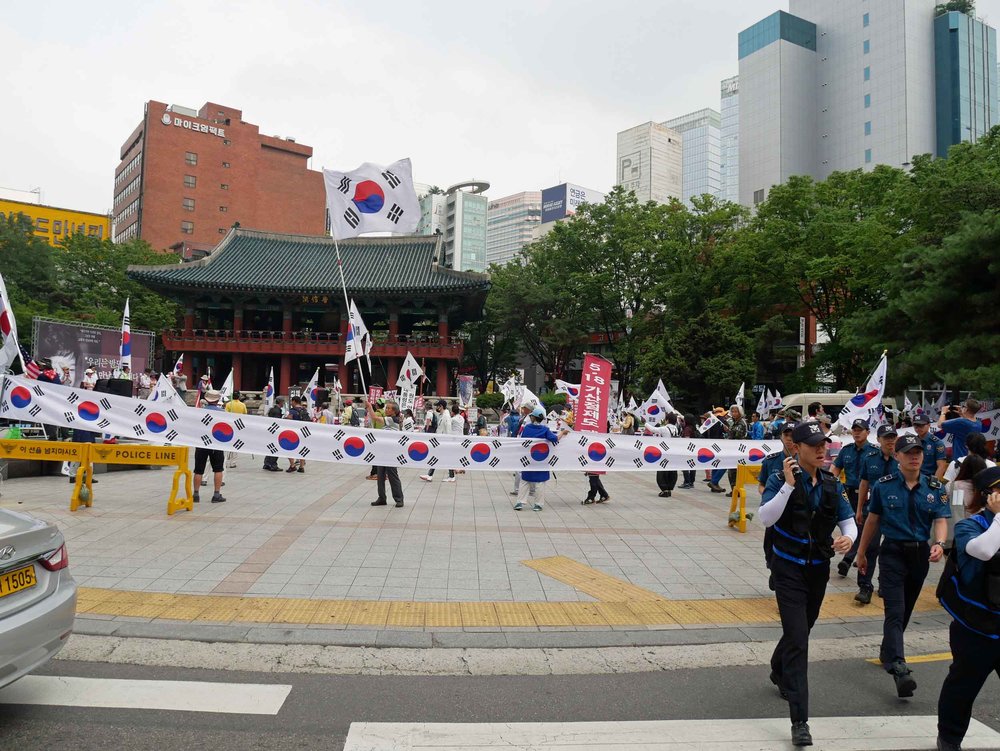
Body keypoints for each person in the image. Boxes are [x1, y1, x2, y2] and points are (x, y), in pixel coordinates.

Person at [758, 420, 857, 748]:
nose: (821, 449)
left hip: (817, 571)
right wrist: (787, 486)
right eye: (813, 444)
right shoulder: (778, 477)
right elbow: (765, 518)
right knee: (800, 641)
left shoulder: (831, 483)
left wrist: (847, 539)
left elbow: (848, 520)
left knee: (801, 630)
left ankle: (777, 666)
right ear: (795, 447)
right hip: (787, 569)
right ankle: (800, 721)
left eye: (823, 444)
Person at [857, 434, 950, 698]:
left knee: (906, 609)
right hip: (892, 553)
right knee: (895, 611)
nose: (914, 456)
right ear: (897, 456)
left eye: (918, 452)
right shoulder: (883, 485)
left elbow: (941, 519)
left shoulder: (934, 487)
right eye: (908, 452)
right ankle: (899, 667)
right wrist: (862, 553)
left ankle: (888, 651)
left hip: (920, 554)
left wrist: (940, 544)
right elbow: (872, 521)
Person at [935, 466, 1000, 751]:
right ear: (988, 496)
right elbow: (984, 551)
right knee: (963, 687)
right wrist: (999, 518)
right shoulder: (970, 526)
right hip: (975, 625)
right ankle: (949, 738)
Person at [853, 424, 900, 605]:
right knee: (869, 548)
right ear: (878, 440)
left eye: (892, 437)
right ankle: (865, 587)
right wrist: (859, 509)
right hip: (873, 511)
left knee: (891, 549)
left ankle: (885, 584)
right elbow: (864, 484)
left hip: (895, 512)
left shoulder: (902, 459)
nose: (890, 441)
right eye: (886, 437)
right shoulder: (870, 458)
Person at [833, 419, 878, 577]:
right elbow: (835, 469)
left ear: (868, 432)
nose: (857, 432)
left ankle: (848, 558)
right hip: (847, 493)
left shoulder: (874, 452)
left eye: (861, 429)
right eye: (854, 429)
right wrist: (830, 486)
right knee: (846, 523)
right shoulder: (846, 450)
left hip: (867, 495)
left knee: (861, 526)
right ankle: (846, 554)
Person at [516, 405, 566, 511]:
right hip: (542, 459)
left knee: (525, 481)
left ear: (533, 418)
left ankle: (520, 502)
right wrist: (563, 433)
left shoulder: (527, 428)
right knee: (540, 483)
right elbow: (555, 439)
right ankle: (538, 504)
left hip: (529, 459)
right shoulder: (545, 430)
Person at [367, 400, 404, 508]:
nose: (386, 409)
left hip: (391, 452)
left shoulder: (392, 419)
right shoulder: (390, 419)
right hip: (382, 451)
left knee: (393, 476)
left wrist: (369, 407)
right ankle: (382, 498)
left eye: (388, 408)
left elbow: (375, 418)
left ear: (394, 411)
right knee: (380, 475)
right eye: (386, 407)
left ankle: (399, 499)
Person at [192, 389, 226, 503]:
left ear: (206, 399)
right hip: (216, 444)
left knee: (198, 470)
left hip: (201, 443)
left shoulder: (199, 412)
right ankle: (216, 494)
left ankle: (196, 494)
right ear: (218, 400)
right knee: (218, 469)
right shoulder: (222, 413)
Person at [421, 400, 456, 483]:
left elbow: (448, 428)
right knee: (437, 457)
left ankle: (431, 475)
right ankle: (431, 475)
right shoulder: (442, 415)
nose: (436, 408)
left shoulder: (446, 416)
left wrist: (448, 440)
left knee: (438, 457)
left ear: (441, 406)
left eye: (437, 406)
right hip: (441, 440)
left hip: (444, 441)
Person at [650, 413, 679, 498]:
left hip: (665, 452)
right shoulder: (677, 429)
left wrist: (645, 422)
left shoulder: (664, 429)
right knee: (672, 471)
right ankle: (669, 489)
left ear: (667, 420)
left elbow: (652, 429)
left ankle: (664, 490)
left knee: (662, 472)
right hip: (673, 453)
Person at [913, 413, 947, 480]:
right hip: (913, 478)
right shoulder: (913, 442)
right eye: (916, 426)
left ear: (929, 425)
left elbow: (941, 466)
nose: (918, 428)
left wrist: (933, 484)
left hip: (929, 479)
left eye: (921, 425)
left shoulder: (937, 443)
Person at [224, 390, 248, 468]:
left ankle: (226, 461)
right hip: (239, 426)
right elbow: (245, 415)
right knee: (236, 443)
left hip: (229, 425)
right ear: (239, 396)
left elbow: (225, 414)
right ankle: (233, 462)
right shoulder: (242, 405)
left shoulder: (228, 404)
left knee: (228, 442)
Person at [285, 397, 309, 473]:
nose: (291, 403)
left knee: (288, 448)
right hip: (303, 432)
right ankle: (301, 467)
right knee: (302, 449)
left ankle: (292, 466)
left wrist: (285, 418)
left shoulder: (292, 411)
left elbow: (289, 419)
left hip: (294, 433)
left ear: (294, 401)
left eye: (292, 401)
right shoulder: (304, 410)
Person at [262, 398, 284, 472]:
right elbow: (277, 422)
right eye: (283, 402)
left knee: (270, 447)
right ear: (280, 402)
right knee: (276, 448)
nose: (283, 403)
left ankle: (267, 463)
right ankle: (273, 465)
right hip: (276, 432)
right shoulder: (278, 411)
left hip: (270, 431)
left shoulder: (271, 409)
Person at [680, 413, 698, 488]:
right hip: (694, 449)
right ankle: (691, 482)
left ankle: (687, 482)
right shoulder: (693, 427)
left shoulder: (687, 429)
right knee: (692, 466)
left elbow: (687, 439)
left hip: (687, 449)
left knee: (685, 466)